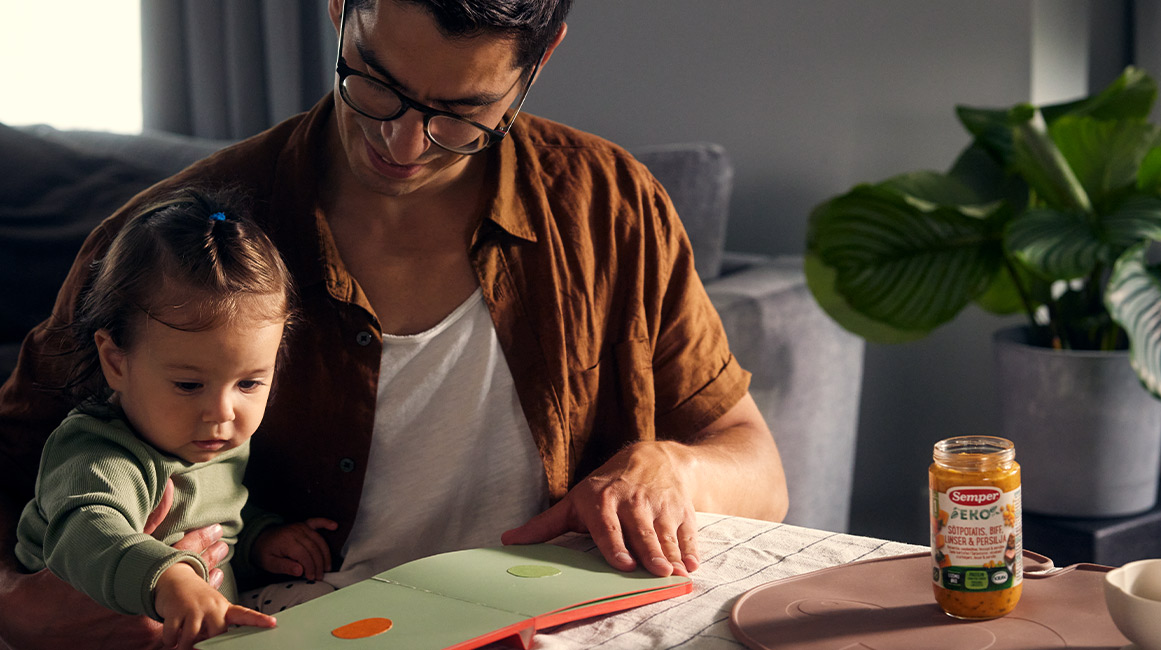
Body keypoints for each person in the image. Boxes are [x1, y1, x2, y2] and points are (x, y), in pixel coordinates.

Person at [0, 1, 789, 647]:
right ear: (340, 10)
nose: (403, 144)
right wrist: (19, 608)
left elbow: (758, 467)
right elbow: (16, 467)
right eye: (374, 84)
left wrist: (673, 470)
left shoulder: (610, 207)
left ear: (539, 61)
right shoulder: (173, 244)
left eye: (461, 113)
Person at [11, 190, 338, 649]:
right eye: (188, 385)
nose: (222, 413)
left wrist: (260, 543)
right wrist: (168, 578)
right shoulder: (97, 452)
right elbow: (86, 533)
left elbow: (210, 535)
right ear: (116, 361)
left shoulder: (215, 445)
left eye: (249, 384)